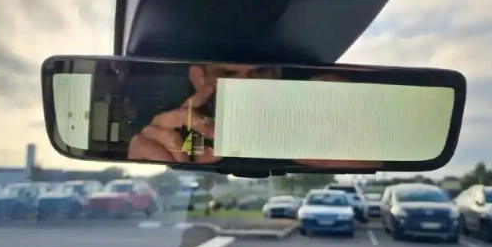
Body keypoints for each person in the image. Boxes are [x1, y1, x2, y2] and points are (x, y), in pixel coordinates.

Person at [127, 63, 383, 169]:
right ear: (198, 78)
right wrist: (156, 164)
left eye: (260, 73)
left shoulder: (312, 124)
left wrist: (360, 150)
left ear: (278, 76)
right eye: (228, 74)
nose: (245, 88)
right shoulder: (184, 133)